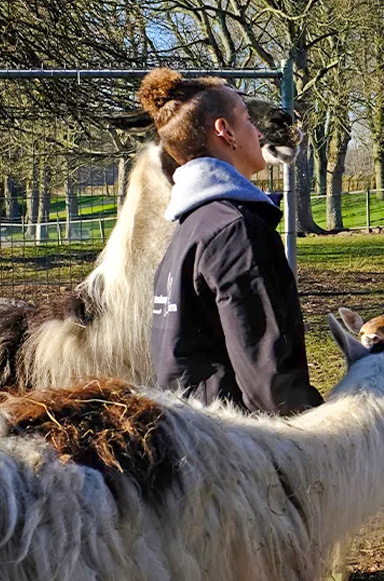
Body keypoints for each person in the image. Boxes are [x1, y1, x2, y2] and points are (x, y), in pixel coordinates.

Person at [138, 67, 322, 414]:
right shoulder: (236, 231)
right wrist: (330, 441)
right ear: (225, 132)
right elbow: (271, 386)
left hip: (197, 440)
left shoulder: (191, 230)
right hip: (239, 452)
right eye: (248, 122)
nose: (257, 131)